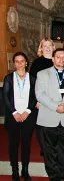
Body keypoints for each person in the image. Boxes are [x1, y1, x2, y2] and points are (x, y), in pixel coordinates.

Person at [35, 48, 64, 181]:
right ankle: (54, 175)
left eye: (63, 57)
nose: (61, 60)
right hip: (49, 116)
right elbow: (40, 94)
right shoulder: (42, 74)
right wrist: (56, 106)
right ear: (53, 59)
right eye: (58, 57)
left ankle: (63, 172)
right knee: (50, 149)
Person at [3, 52, 37, 181]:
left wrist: (27, 111)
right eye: (16, 61)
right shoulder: (9, 78)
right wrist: (14, 113)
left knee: (26, 144)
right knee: (13, 143)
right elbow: (5, 97)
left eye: (22, 61)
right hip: (13, 116)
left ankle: (25, 170)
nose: (19, 64)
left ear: (26, 62)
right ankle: (15, 170)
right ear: (14, 63)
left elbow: (34, 97)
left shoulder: (32, 78)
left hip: (27, 115)